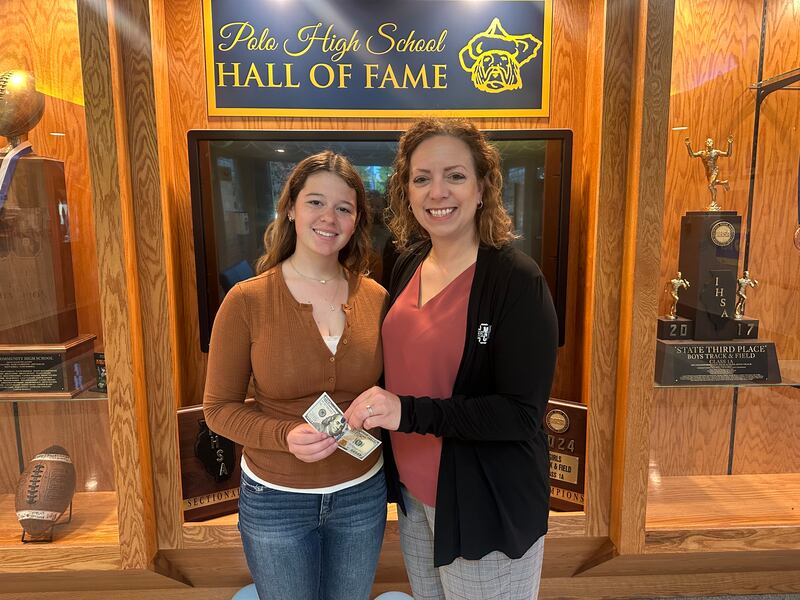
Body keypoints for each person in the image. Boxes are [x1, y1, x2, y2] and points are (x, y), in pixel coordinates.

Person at [345, 119, 558, 599]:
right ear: (406, 190)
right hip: (415, 495)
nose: (437, 191)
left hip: (484, 501)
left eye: (455, 175)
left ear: (483, 186)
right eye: (422, 178)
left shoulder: (516, 280)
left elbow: (521, 415)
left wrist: (406, 411)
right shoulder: (406, 260)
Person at [203, 151, 388, 600]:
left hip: (362, 494)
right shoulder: (246, 301)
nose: (329, 218)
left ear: (357, 219)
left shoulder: (378, 298)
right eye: (315, 202)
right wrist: (285, 435)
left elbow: (395, 389)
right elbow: (218, 410)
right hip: (275, 500)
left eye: (344, 208)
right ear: (290, 207)